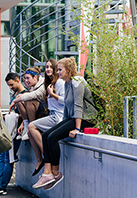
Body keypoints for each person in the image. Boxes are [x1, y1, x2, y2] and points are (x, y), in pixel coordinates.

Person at [32, 57, 98, 190]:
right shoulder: (68, 83)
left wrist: (77, 129)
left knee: (52, 138)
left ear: (68, 70)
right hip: (73, 117)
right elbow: (68, 107)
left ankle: (55, 174)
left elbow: (78, 106)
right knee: (46, 135)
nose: (58, 72)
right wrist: (61, 125)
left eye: (60, 70)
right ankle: (47, 173)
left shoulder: (77, 82)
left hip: (86, 118)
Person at [0, 72, 27, 196]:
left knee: (7, 158)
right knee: (3, 157)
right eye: (9, 85)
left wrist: (12, 117)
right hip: (11, 130)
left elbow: (25, 114)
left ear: (17, 80)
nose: (10, 87)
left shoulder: (24, 95)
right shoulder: (17, 94)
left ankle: (0, 186)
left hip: (15, 131)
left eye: (11, 84)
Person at [28, 59, 65, 176]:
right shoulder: (49, 83)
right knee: (29, 132)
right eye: (46, 67)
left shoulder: (59, 83)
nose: (48, 69)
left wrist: (52, 94)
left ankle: (47, 155)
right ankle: (40, 160)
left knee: (31, 126)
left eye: (51, 67)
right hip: (52, 115)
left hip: (58, 117)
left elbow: (66, 101)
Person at [9, 67, 46, 140]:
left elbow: (32, 95)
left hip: (45, 113)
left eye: (27, 78)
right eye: (25, 79)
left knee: (28, 100)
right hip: (37, 112)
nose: (26, 81)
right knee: (20, 99)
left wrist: (15, 101)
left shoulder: (43, 85)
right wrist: (23, 124)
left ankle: (31, 128)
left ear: (35, 77)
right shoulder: (34, 86)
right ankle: (26, 126)